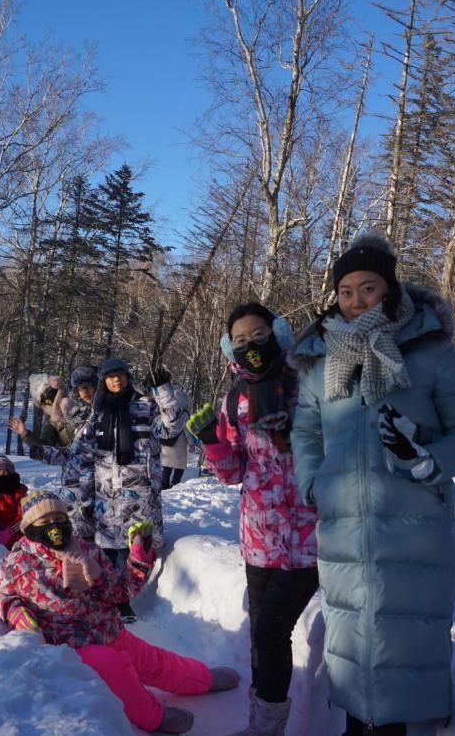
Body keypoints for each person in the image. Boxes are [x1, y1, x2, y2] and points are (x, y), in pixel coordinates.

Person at [290, 231, 455, 736]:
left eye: (369, 288)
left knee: (405, 645)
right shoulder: (320, 364)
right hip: (343, 534)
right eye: (346, 291)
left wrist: (428, 460)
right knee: (353, 641)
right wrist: (315, 482)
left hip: (414, 528)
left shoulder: (430, 351)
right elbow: (306, 430)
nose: (356, 302)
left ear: (391, 290)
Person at [0, 491, 240, 734]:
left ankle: (202, 679)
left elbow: (119, 591)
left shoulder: (87, 551)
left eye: (59, 518)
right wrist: (14, 610)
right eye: (45, 521)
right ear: (29, 529)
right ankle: (153, 717)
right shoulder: (19, 564)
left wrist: (138, 558)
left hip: (109, 630)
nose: (54, 526)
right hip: (72, 647)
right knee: (117, 670)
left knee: (155, 661)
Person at [187, 302, 317, 736]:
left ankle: (267, 729)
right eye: (240, 340)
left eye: (258, 335)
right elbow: (233, 473)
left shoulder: (309, 382)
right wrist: (212, 442)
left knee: (269, 632)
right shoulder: (234, 398)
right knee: (264, 638)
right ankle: (264, 725)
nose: (250, 345)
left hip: (312, 538)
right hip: (259, 538)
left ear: (277, 334)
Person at [64, 357, 184, 623]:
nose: (116, 380)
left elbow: (170, 430)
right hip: (105, 496)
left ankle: (124, 599)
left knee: (134, 551)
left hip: (140, 495)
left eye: (120, 375)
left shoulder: (145, 406)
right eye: (109, 377)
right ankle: (114, 601)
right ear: (103, 382)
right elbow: (81, 452)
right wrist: (79, 495)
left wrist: (163, 391)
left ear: (127, 377)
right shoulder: (97, 413)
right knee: (107, 553)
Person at [148, 366, 193, 489]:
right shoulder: (183, 410)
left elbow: (164, 412)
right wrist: (192, 443)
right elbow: (187, 428)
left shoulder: (165, 410)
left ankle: (165, 484)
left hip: (166, 441)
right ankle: (175, 484)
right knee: (179, 466)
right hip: (179, 441)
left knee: (166, 466)